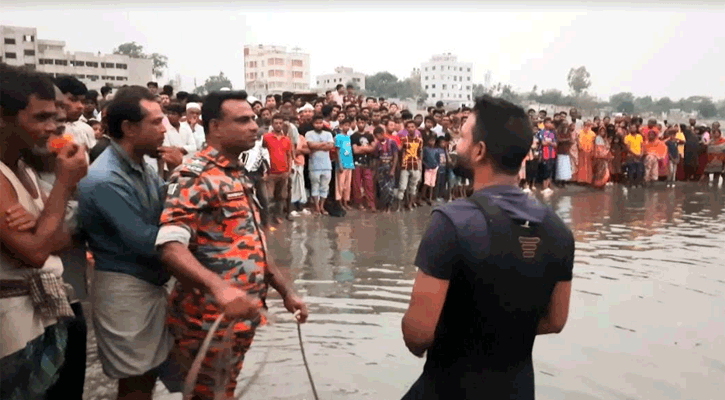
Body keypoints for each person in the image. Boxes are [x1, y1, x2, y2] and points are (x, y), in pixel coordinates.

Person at [401, 95, 574, 400]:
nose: (457, 143)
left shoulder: (451, 222)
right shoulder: (558, 231)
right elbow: (556, 321)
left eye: (464, 136)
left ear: (479, 151)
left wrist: (460, 332)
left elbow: (417, 335)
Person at [155, 90, 308, 400]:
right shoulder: (193, 176)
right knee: (205, 394)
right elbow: (170, 246)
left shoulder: (238, 175)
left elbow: (254, 245)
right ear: (215, 127)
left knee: (224, 390)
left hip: (240, 316)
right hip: (206, 319)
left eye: (254, 118)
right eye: (242, 120)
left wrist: (286, 291)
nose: (254, 126)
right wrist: (219, 288)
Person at [77, 86, 182, 400]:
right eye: (156, 122)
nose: (165, 129)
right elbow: (149, 241)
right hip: (126, 290)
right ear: (129, 128)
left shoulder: (140, 165)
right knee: (135, 385)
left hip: (148, 285)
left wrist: (178, 175)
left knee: (148, 378)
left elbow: (160, 203)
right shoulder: (105, 178)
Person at [0, 67, 88, 400]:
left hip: (47, 321)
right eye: (40, 118)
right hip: (14, 335)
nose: (52, 129)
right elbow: (36, 253)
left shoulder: (22, 168)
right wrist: (65, 184)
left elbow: (63, 238)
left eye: (55, 118)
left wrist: (40, 227)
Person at [263, 115, 294, 223]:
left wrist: (289, 170)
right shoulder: (266, 137)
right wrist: (265, 171)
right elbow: (261, 154)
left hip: (284, 172)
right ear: (272, 124)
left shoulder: (287, 139)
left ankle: (278, 216)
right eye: (276, 123)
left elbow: (289, 156)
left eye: (280, 123)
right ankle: (268, 217)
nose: (278, 125)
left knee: (281, 197)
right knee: (269, 197)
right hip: (271, 173)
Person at [54, 75, 97, 151]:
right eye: (73, 100)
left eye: (83, 102)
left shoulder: (86, 130)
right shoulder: (48, 131)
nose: (80, 106)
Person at [306, 115, 335, 215]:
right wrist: (323, 144)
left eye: (320, 123)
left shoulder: (328, 134)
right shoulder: (309, 134)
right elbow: (310, 145)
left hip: (327, 165)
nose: (319, 125)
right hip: (314, 165)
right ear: (313, 124)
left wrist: (317, 145)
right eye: (316, 123)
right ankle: (316, 207)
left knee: (324, 187)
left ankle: (322, 206)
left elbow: (330, 147)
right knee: (315, 187)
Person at [351, 117, 377, 211]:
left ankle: (371, 204)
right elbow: (355, 150)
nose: (361, 124)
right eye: (359, 122)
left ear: (365, 123)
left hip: (367, 164)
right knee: (357, 185)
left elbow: (373, 148)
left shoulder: (370, 135)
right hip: (357, 164)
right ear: (356, 123)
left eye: (363, 122)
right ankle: (359, 204)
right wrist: (367, 148)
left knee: (369, 185)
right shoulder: (354, 136)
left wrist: (361, 148)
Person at [397, 122, 423, 210]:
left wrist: (420, 166)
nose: (411, 128)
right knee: (402, 187)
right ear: (406, 129)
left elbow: (420, 153)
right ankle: (399, 206)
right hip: (405, 165)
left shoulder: (419, 140)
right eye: (409, 127)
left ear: (415, 128)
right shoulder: (403, 139)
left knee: (413, 187)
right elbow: (399, 150)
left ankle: (410, 205)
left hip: (415, 165)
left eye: (412, 127)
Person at [373, 126, 398, 212]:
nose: (377, 138)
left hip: (390, 167)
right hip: (381, 169)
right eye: (376, 137)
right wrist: (376, 172)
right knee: (383, 189)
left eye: (378, 136)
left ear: (382, 134)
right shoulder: (377, 145)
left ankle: (389, 207)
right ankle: (383, 207)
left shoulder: (392, 142)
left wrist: (393, 170)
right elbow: (376, 159)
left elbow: (395, 156)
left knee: (390, 189)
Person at [335, 119, 355, 210]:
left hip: (349, 164)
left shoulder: (349, 137)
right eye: (345, 125)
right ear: (341, 126)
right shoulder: (338, 137)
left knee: (347, 185)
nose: (347, 127)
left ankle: (345, 202)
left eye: (348, 125)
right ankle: (339, 203)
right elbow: (337, 151)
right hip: (342, 164)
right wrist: (340, 164)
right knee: (340, 184)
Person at [537, 117, 557, 194]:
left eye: (551, 123)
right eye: (548, 123)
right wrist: (550, 143)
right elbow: (543, 143)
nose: (550, 124)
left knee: (550, 170)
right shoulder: (541, 132)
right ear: (545, 123)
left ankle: (548, 186)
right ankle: (544, 187)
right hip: (544, 154)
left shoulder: (553, 133)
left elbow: (555, 144)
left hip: (552, 153)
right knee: (545, 170)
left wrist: (549, 142)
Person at [421, 135, 440, 205]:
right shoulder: (425, 149)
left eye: (433, 141)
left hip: (434, 169)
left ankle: (430, 198)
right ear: (428, 141)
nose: (432, 142)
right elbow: (422, 159)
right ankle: (422, 197)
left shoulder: (436, 150)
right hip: (427, 169)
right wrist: (426, 165)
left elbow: (438, 160)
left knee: (432, 185)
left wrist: (437, 167)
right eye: (431, 141)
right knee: (426, 183)